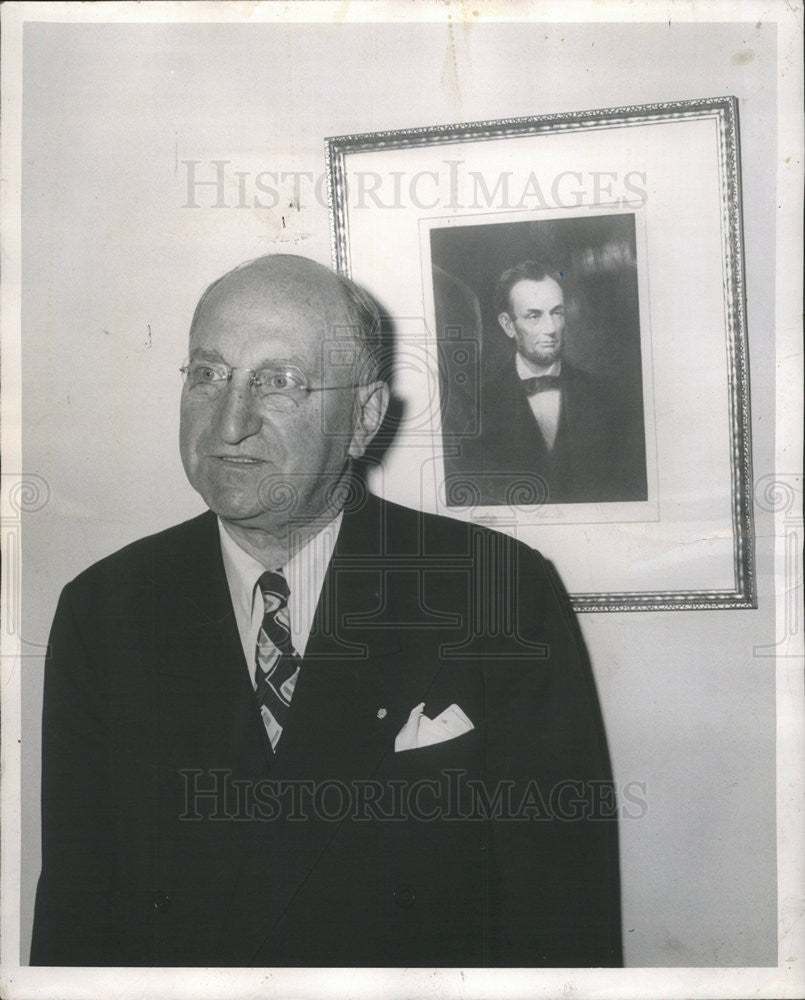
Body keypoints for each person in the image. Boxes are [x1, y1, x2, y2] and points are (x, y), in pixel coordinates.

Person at [30, 254, 622, 968]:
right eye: (209, 374)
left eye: (279, 382)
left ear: (364, 417)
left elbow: (561, 914)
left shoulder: (498, 593)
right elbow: (76, 905)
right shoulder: (105, 610)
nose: (231, 421)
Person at [448, 260, 647, 506]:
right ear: (508, 325)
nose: (551, 328)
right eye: (534, 316)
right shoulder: (476, 407)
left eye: (557, 313)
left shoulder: (609, 399)